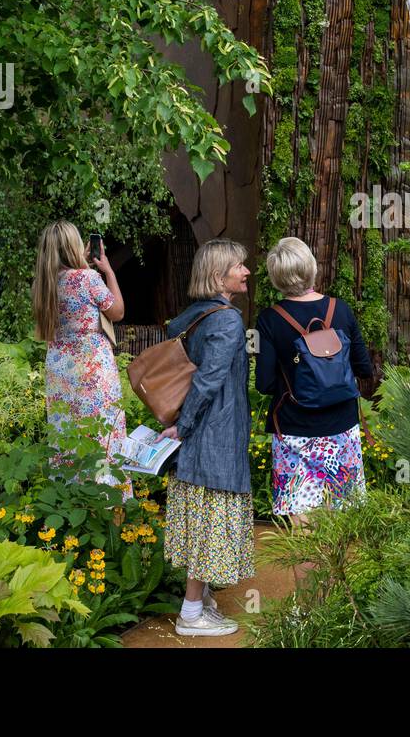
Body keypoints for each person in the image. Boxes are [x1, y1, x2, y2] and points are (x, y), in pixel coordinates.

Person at [156, 238, 253, 637]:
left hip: (201, 435)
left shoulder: (198, 313)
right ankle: (191, 614)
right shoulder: (227, 320)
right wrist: (186, 424)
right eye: (239, 267)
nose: (246, 271)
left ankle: (203, 602)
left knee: (200, 518)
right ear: (218, 276)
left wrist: (183, 424)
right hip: (213, 435)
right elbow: (209, 379)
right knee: (209, 521)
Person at [255, 237, 373, 526]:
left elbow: (265, 384)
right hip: (342, 428)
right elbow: (364, 368)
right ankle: (335, 573)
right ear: (311, 268)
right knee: (340, 521)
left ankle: (310, 573)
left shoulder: (269, 320)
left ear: (276, 276)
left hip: (295, 432)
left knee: (302, 522)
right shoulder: (340, 309)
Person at [32, 221, 131, 504]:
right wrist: (107, 271)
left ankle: (68, 500)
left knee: (66, 432)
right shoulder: (87, 279)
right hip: (92, 366)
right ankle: (107, 501)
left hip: (60, 365)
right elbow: (118, 312)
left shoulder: (43, 283)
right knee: (102, 432)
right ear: (75, 246)